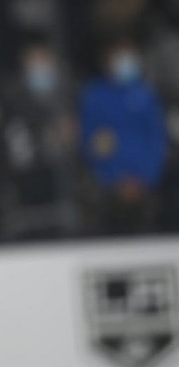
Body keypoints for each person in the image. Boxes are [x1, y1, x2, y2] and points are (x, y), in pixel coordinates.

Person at [78, 33, 167, 235]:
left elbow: (156, 138)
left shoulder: (145, 94)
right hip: (109, 186)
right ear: (107, 60)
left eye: (130, 56)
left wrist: (143, 177)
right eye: (120, 56)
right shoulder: (94, 94)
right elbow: (89, 140)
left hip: (144, 180)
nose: (126, 62)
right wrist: (115, 176)